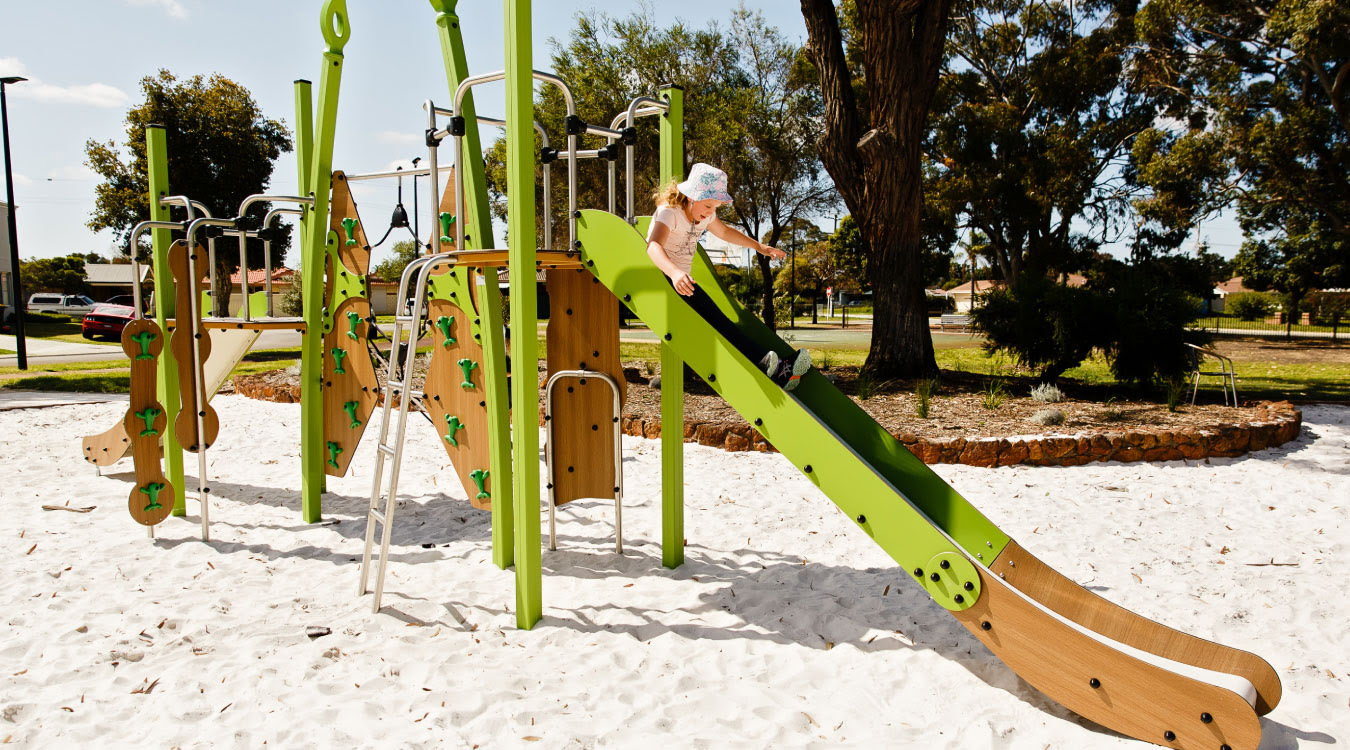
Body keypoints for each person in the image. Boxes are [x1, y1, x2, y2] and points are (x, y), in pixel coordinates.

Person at [645, 162, 812, 391]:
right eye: (707, 205)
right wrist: (674, 273)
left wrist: (759, 247)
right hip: (664, 277)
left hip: (683, 281)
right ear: (691, 197)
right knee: (718, 323)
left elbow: (724, 232)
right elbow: (653, 246)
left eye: (715, 207)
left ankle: (780, 370)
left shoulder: (704, 215)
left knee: (720, 322)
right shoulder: (669, 212)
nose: (710, 212)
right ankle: (772, 368)